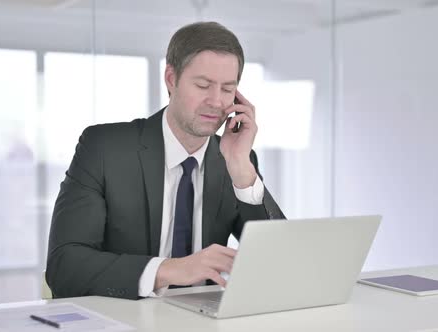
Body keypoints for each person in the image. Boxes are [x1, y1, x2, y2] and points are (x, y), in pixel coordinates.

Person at [46, 21, 285, 300]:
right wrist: (169, 270)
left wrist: (243, 171)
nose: (217, 101)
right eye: (203, 85)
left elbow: (281, 265)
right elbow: (65, 267)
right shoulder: (105, 149)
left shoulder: (236, 161)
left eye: (227, 89)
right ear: (171, 79)